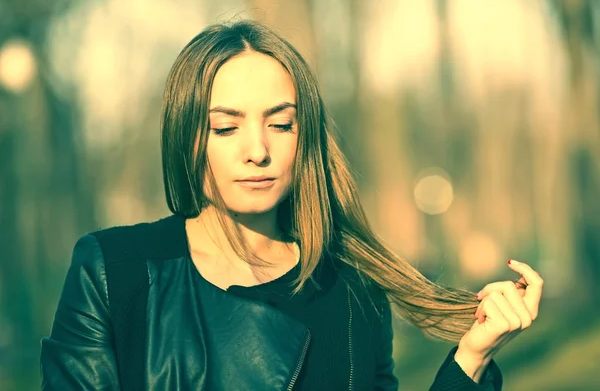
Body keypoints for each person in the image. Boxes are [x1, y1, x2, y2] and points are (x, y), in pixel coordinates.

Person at [40, 20, 543, 390]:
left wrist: (472, 359)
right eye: (226, 126)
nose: (257, 150)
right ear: (188, 136)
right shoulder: (115, 271)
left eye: (280, 124)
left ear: (305, 138)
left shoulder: (350, 289)